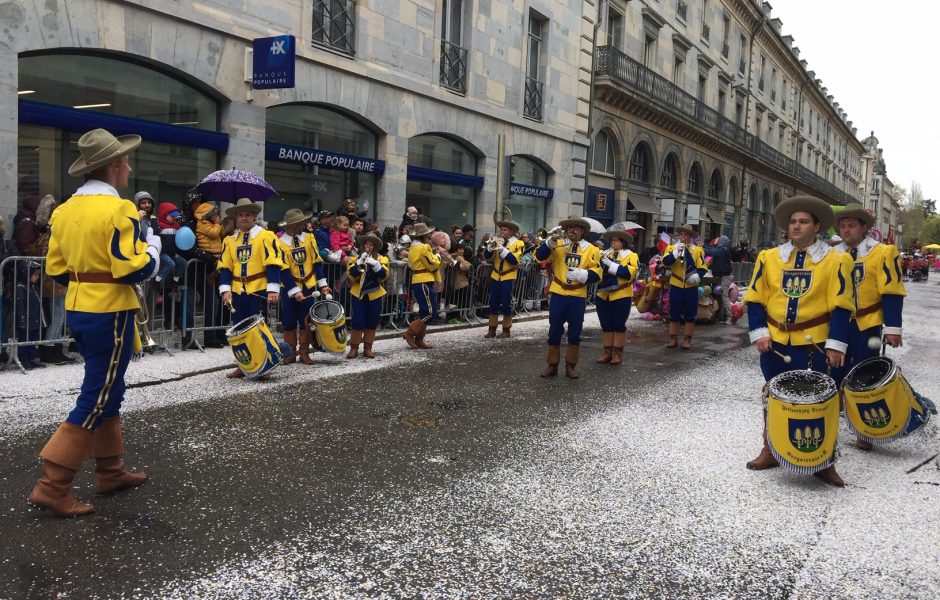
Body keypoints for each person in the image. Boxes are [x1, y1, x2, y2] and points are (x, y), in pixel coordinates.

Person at [29, 128, 160, 517]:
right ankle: (52, 486)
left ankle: (110, 471)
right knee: (97, 395)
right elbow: (131, 269)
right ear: (114, 166)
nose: (129, 166)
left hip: (80, 307)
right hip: (110, 312)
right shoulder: (119, 209)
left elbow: (56, 268)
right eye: (125, 161)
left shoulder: (65, 210)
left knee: (109, 387)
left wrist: (87, 282)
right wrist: (152, 248)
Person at [744, 195, 855, 487]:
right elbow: (755, 299)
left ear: (816, 226)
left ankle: (825, 460)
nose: (796, 226)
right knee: (773, 396)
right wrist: (760, 332)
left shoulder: (837, 260)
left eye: (803, 221)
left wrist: (835, 344)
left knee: (823, 401)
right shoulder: (769, 258)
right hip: (776, 342)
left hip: (815, 343)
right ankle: (770, 448)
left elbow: (842, 306)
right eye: (793, 222)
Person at [831, 204, 927, 450]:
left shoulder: (883, 253)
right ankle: (832, 424)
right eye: (842, 225)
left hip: (867, 325)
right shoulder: (831, 254)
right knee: (834, 375)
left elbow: (892, 292)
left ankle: (866, 434)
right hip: (836, 326)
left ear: (864, 228)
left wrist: (893, 328)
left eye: (851, 225)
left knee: (863, 378)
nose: (846, 230)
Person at [218, 198, 285, 378]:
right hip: (238, 290)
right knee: (238, 330)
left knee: (259, 329)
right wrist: (225, 290)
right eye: (241, 215)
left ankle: (265, 365)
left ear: (254, 217)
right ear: (236, 218)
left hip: (258, 290)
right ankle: (243, 366)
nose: (244, 218)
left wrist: (272, 289)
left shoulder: (266, 236)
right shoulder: (229, 241)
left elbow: (273, 264)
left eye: (248, 214)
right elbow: (225, 267)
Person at [534, 216, 602, 379]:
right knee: (554, 329)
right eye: (569, 227)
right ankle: (552, 365)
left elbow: (598, 273)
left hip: (577, 295)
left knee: (575, 332)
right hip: (558, 292)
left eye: (575, 227)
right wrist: (548, 244)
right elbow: (540, 257)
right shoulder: (558, 244)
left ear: (582, 231)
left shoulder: (592, 250)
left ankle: (571, 366)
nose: (571, 230)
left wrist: (583, 274)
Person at [276, 208, 331, 365]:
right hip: (288, 287)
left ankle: (304, 353)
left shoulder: (309, 238)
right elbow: (283, 269)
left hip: (308, 285)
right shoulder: (279, 243)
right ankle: (290, 353)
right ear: (292, 225)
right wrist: (294, 291)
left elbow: (316, 262)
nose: (304, 225)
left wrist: (323, 285)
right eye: (300, 223)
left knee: (306, 320)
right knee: (289, 321)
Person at [595, 230, 639, 365]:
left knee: (618, 324)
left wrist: (610, 264)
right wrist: (600, 260)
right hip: (603, 294)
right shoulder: (605, 253)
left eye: (616, 240)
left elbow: (627, 274)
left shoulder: (631, 255)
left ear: (622, 242)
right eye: (612, 240)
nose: (612, 242)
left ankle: (617, 353)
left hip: (621, 294)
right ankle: (607, 352)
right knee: (606, 324)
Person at [662, 224, 707, 349]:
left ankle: (687, 339)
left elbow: (702, 268)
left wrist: (696, 277)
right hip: (676, 284)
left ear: (690, 236)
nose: (683, 236)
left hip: (690, 286)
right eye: (681, 234)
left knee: (690, 313)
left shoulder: (697, 250)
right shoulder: (672, 248)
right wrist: (676, 252)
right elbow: (665, 263)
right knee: (674, 312)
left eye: (685, 234)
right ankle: (673, 338)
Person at [346, 231, 388, 359]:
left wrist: (376, 265)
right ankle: (354, 348)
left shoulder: (382, 259)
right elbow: (351, 276)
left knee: (372, 321)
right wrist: (359, 263)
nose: (368, 246)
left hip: (375, 293)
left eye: (371, 244)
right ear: (363, 246)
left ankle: (368, 348)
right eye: (366, 244)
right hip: (358, 293)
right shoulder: (355, 259)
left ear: (375, 246)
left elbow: (384, 276)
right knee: (357, 320)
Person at [482, 217, 525, 338]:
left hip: (508, 276)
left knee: (506, 303)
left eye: (505, 230)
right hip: (495, 275)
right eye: (501, 229)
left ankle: (506, 329)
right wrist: (490, 248)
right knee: (493, 303)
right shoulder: (498, 241)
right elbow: (486, 256)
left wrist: (503, 250)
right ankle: (492, 329)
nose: (502, 232)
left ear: (511, 231)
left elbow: (514, 260)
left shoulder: (519, 243)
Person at [402, 223, 442, 349]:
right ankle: (409, 333)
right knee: (430, 313)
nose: (430, 235)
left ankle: (419, 339)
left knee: (424, 312)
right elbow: (432, 264)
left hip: (418, 280)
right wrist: (438, 256)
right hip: (423, 280)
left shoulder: (413, 248)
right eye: (428, 234)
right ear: (424, 235)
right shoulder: (424, 247)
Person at [15, 260, 45, 369]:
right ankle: (24, 359)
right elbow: (20, 305)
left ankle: (31, 358)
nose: (37, 277)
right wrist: (21, 320)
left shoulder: (33, 287)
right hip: (26, 321)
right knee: (24, 340)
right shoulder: (20, 288)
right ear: (26, 273)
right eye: (35, 274)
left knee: (32, 340)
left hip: (34, 319)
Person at [704, 235, 733, 324]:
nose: (718, 242)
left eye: (720, 241)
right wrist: (703, 245)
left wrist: (702, 249)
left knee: (724, 297)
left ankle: (729, 317)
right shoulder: (722, 249)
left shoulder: (724, 250)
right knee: (719, 296)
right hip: (720, 276)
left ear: (723, 242)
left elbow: (713, 252)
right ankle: (720, 316)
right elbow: (712, 248)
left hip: (725, 277)